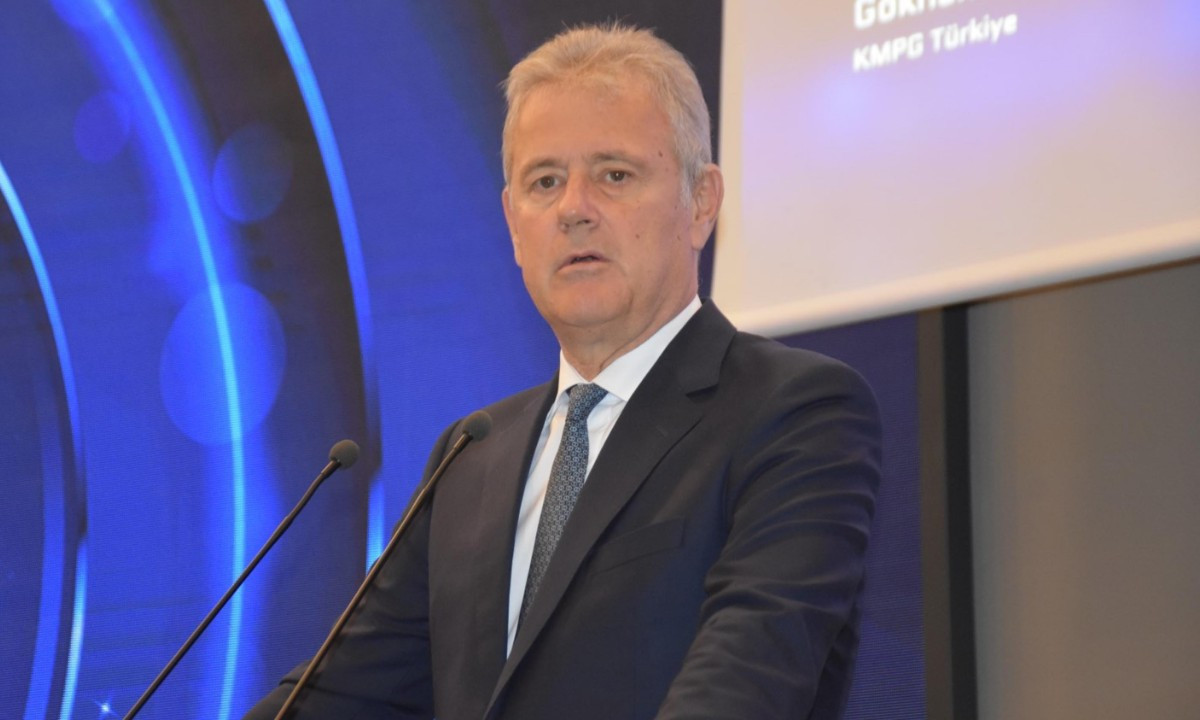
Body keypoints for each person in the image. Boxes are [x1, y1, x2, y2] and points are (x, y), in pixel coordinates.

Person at [246, 23, 880, 720]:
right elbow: (336, 694)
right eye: (545, 182)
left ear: (701, 202)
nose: (574, 209)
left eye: (615, 174)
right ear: (514, 224)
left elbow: (747, 680)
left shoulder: (794, 413)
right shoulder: (469, 456)